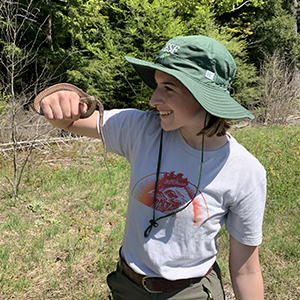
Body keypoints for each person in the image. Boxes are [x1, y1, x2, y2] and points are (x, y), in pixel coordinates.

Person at [36, 35, 266, 300]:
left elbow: (246, 270)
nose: (153, 99)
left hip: (191, 292)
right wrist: (59, 98)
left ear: (206, 96)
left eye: (169, 88)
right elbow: (69, 122)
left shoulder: (246, 172)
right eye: (157, 85)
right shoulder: (141, 129)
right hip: (128, 286)